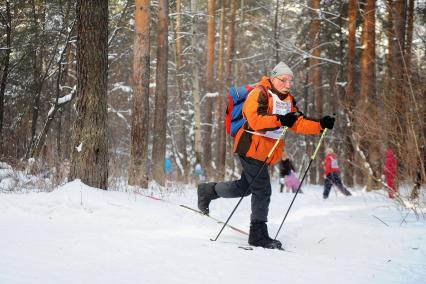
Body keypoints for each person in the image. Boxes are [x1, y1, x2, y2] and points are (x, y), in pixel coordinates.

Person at [197, 61, 335, 249]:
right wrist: (280, 120)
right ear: (274, 77)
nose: (288, 84)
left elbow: (297, 122)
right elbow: (253, 119)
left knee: (245, 188)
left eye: (290, 81)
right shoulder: (259, 93)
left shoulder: (288, 100)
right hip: (250, 146)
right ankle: (257, 235)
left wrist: (320, 125)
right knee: (262, 189)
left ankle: (208, 191)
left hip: (266, 152)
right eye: (284, 80)